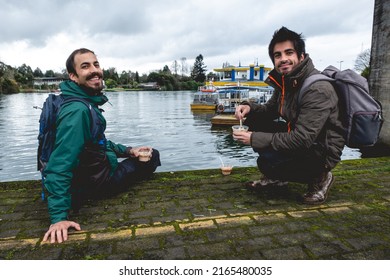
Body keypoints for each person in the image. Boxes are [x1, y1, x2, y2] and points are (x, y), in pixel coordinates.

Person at [42, 48, 161, 243]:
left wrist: (129, 151)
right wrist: (59, 218)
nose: (94, 70)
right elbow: (60, 164)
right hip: (97, 183)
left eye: (96, 64)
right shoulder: (78, 111)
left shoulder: (82, 102)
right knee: (153, 156)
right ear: (73, 76)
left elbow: (97, 142)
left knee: (140, 154)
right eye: (85, 66)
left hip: (89, 176)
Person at [234, 27, 345, 205]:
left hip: (321, 151)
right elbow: (270, 110)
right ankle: (276, 177)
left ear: (301, 56)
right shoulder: (287, 81)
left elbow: (302, 139)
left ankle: (321, 178)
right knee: (255, 120)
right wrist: (248, 107)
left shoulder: (318, 89)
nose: (283, 58)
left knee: (270, 161)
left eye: (289, 52)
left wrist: (254, 138)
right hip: (302, 139)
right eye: (277, 55)